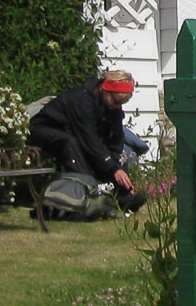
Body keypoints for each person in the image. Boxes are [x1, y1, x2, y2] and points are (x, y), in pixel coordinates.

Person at [28, 70, 151, 214]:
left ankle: (123, 196)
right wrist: (112, 169)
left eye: (123, 103)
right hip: (43, 129)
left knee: (113, 155)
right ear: (106, 90)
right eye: (116, 101)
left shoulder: (112, 108)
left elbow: (115, 142)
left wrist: (118, 168)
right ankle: (87, 194)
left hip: (73, 134)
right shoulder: (82, 100)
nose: (118, 106)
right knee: (71, 144)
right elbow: (89, 140)